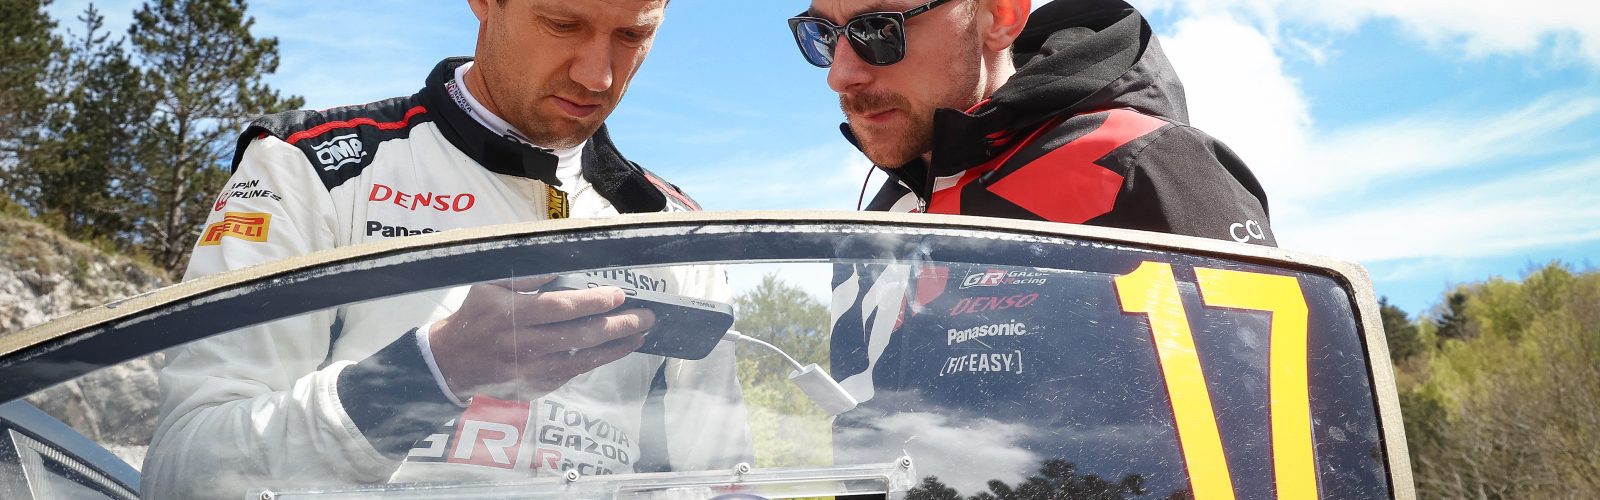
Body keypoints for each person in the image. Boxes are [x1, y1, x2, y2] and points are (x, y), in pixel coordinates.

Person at [143, 0, 749, 497]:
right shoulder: (309, 167)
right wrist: (433, 372)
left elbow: (723, 481)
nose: (598, 76)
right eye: (563, 24)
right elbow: (184, 471)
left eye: (632, 35)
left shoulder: (677, 229)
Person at [787, 0, 1280, 488]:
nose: (839, 75)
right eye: (822, 36)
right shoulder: (875, 226)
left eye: (879, 30)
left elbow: (1271, 432)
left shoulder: (1140, 164)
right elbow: (864, 447)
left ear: (1000, 17)